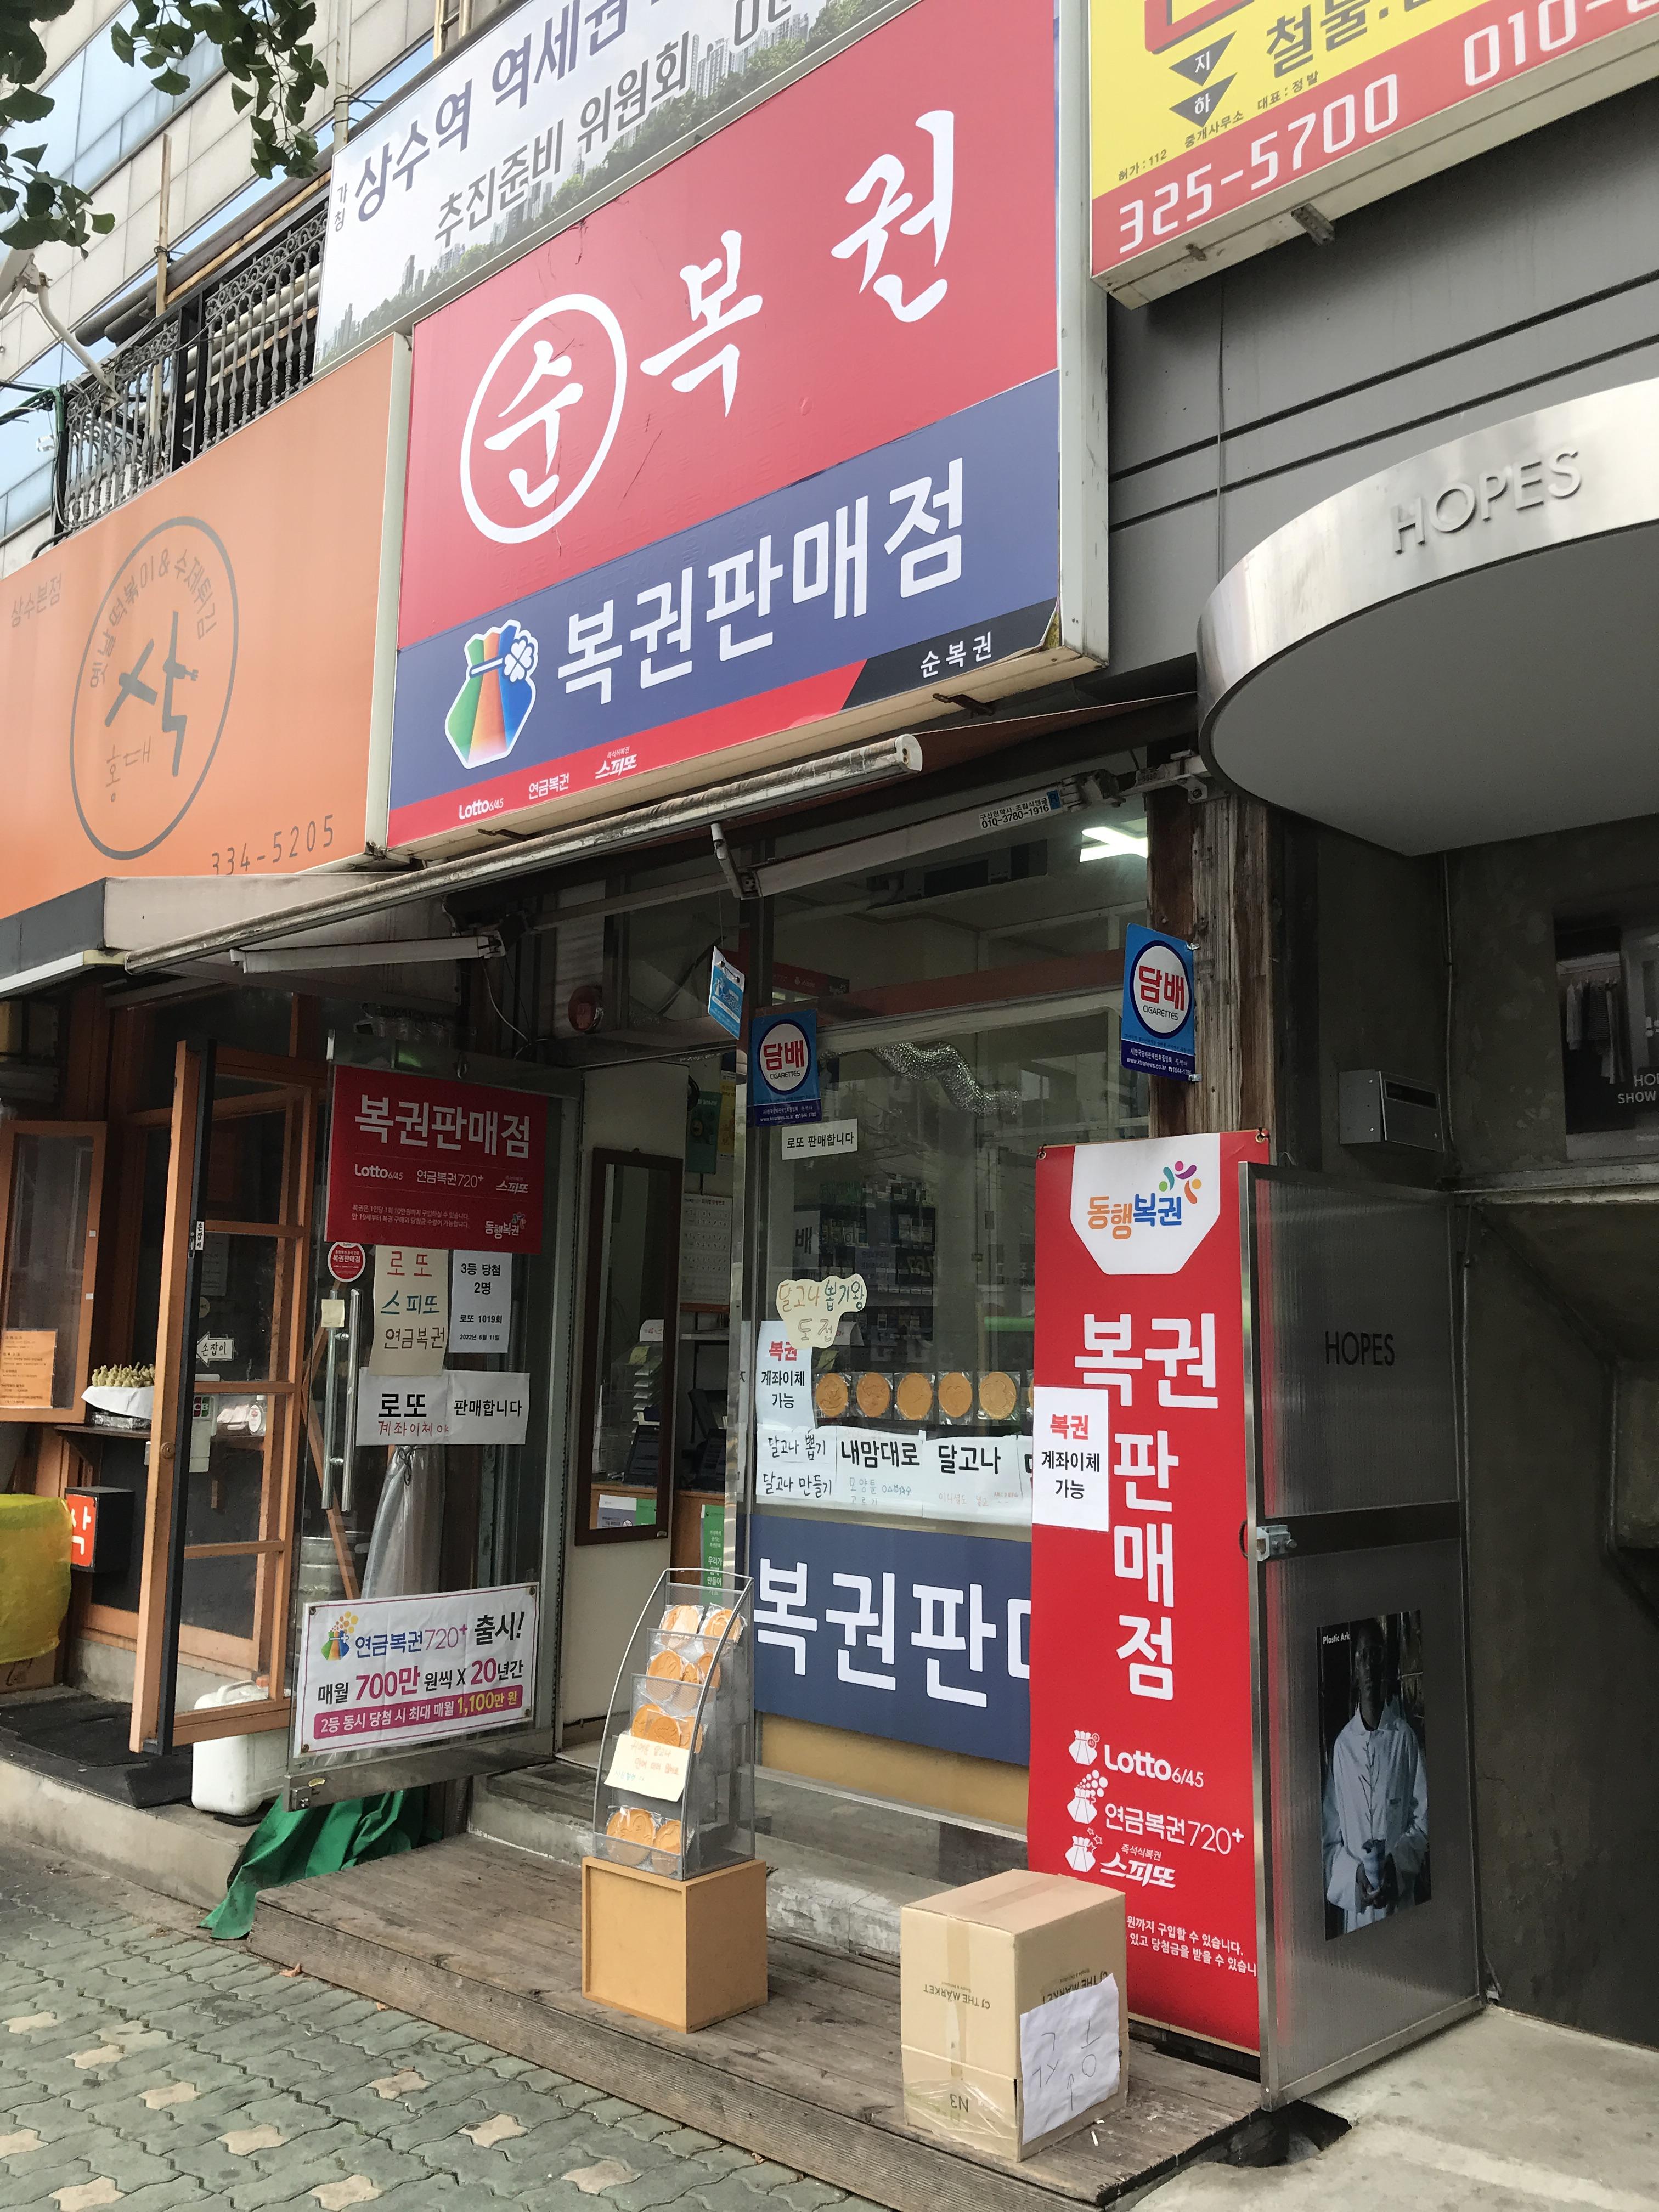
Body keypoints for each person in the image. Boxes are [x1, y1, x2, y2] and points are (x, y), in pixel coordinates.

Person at [1321, 1618, 1429, 1933]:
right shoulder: (1343, 1748)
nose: (1369, 1666)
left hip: (1401, 1904)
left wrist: (1397, 1865)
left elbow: (1424, 1820)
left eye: (1376, 1655)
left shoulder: (1404, 1740)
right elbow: (1330, 1839)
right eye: (1363, 1657)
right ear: (1355, 1668)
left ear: (1385, 1663)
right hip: (1359, 1916)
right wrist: (1355, 1876)